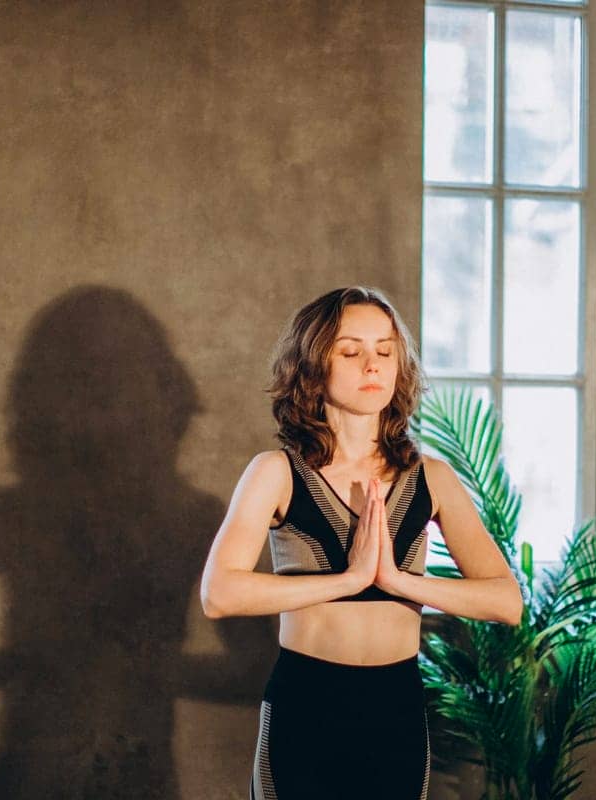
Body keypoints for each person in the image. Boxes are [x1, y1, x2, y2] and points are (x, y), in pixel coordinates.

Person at [199, 286, 523, 800]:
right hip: (306, 708)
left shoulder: (432, 479)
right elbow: (220, 594)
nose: (372, 365)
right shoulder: (276, 473)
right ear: (312, 366)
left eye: (385, 350)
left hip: (395, 708)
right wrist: (349, 580)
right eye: (351, 351)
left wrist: (398, 581)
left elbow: (506, 602)